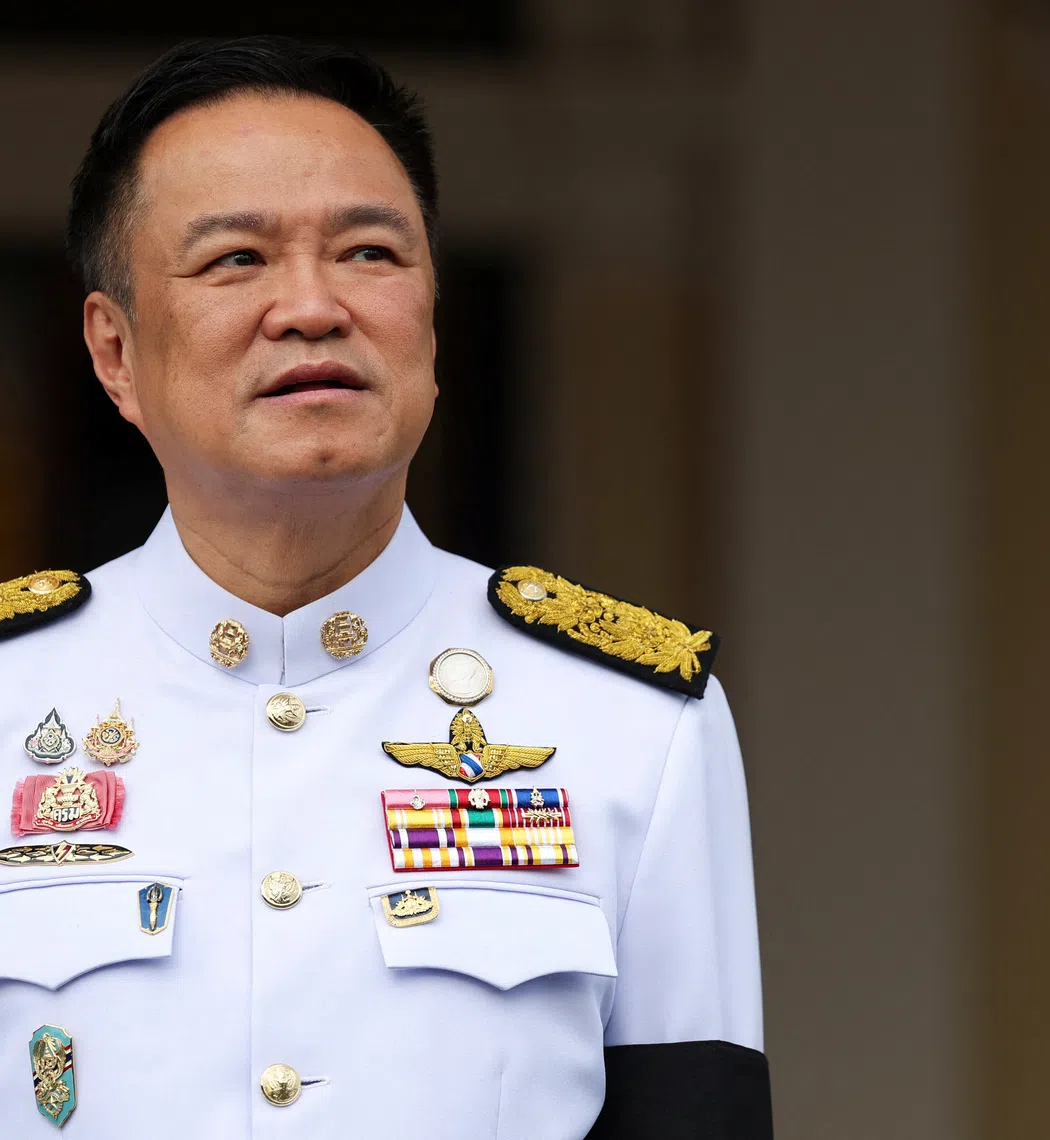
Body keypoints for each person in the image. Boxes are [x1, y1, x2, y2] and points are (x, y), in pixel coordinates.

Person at [0, 37, 769, 1139]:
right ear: (115, 352)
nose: (312, 307)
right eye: (236, 261)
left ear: (433, 318)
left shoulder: (635, 724)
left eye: (369, 252)